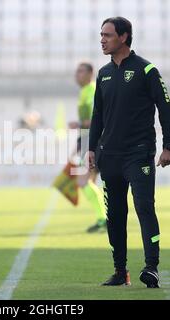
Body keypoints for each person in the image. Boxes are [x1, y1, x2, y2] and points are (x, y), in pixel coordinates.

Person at [87, 17, 170, 288]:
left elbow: (165, 108)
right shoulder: (103, 73)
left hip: (139, 153)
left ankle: (151, 268)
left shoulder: (147, 70)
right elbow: (97, 115)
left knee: (144, 208)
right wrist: (91, 149)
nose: (102, 39)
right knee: (115, 214)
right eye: (101, 35)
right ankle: (120, 271)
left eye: (108, 35)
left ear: (123, 37)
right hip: (109, 156)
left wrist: (168, 146)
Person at [69, 62, 107, 233]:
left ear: (90, 73)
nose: (77, 75)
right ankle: (103, 219)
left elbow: (98, 118)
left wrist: (79, 124)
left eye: (80, 71)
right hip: (87, 140)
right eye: (76, 71)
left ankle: (104, 219)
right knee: (87, 181)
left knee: (84, 181)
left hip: (95, 141)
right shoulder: (84, 91)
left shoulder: (92, 90)